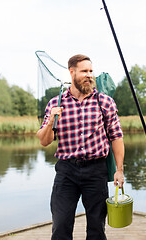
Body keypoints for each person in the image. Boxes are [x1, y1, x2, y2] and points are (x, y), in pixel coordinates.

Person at [37, 54, 125, 240]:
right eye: (84, 71)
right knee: (60, 225)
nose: (89, 75)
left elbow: (116, 137)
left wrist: (119, 170)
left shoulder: (104, 102)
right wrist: (52, 118)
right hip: (66, 171)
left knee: (96, 228)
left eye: (91, 71)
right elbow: (44, 140)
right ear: (72, 72)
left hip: (96, 171)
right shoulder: (56, 103)